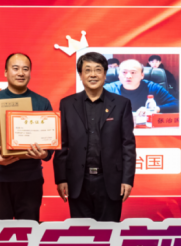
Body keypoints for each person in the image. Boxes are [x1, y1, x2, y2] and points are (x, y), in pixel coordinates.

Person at [54, 51, 136, 222]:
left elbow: (127, 145)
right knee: (81, 232)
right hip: (78, 181)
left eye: (98, 70)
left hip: (110, 181)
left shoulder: (121, 104)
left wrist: (127, 180)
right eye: (87, 70)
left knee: (109, 232)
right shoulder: (67, 104)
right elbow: (61, 143)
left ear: (105, 74)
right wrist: (61, 178)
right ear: (80, 75)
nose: (93, 75)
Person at [0, 53, 53, 222]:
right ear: (5, 72)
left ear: (30, 72)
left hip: (30, 179)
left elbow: (50, 137)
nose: (21, 73)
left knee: (29, 231)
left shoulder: (42, 103)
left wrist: (46, 154)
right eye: (15, 68)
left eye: (25, 69)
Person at [104, 59, 178, 116]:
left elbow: (177, 104)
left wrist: (154, 109)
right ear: (119, 75)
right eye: (124, 72)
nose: (128, 76)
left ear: (142, 75)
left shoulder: (153, 87)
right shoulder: (108, 89)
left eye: (133, 72)